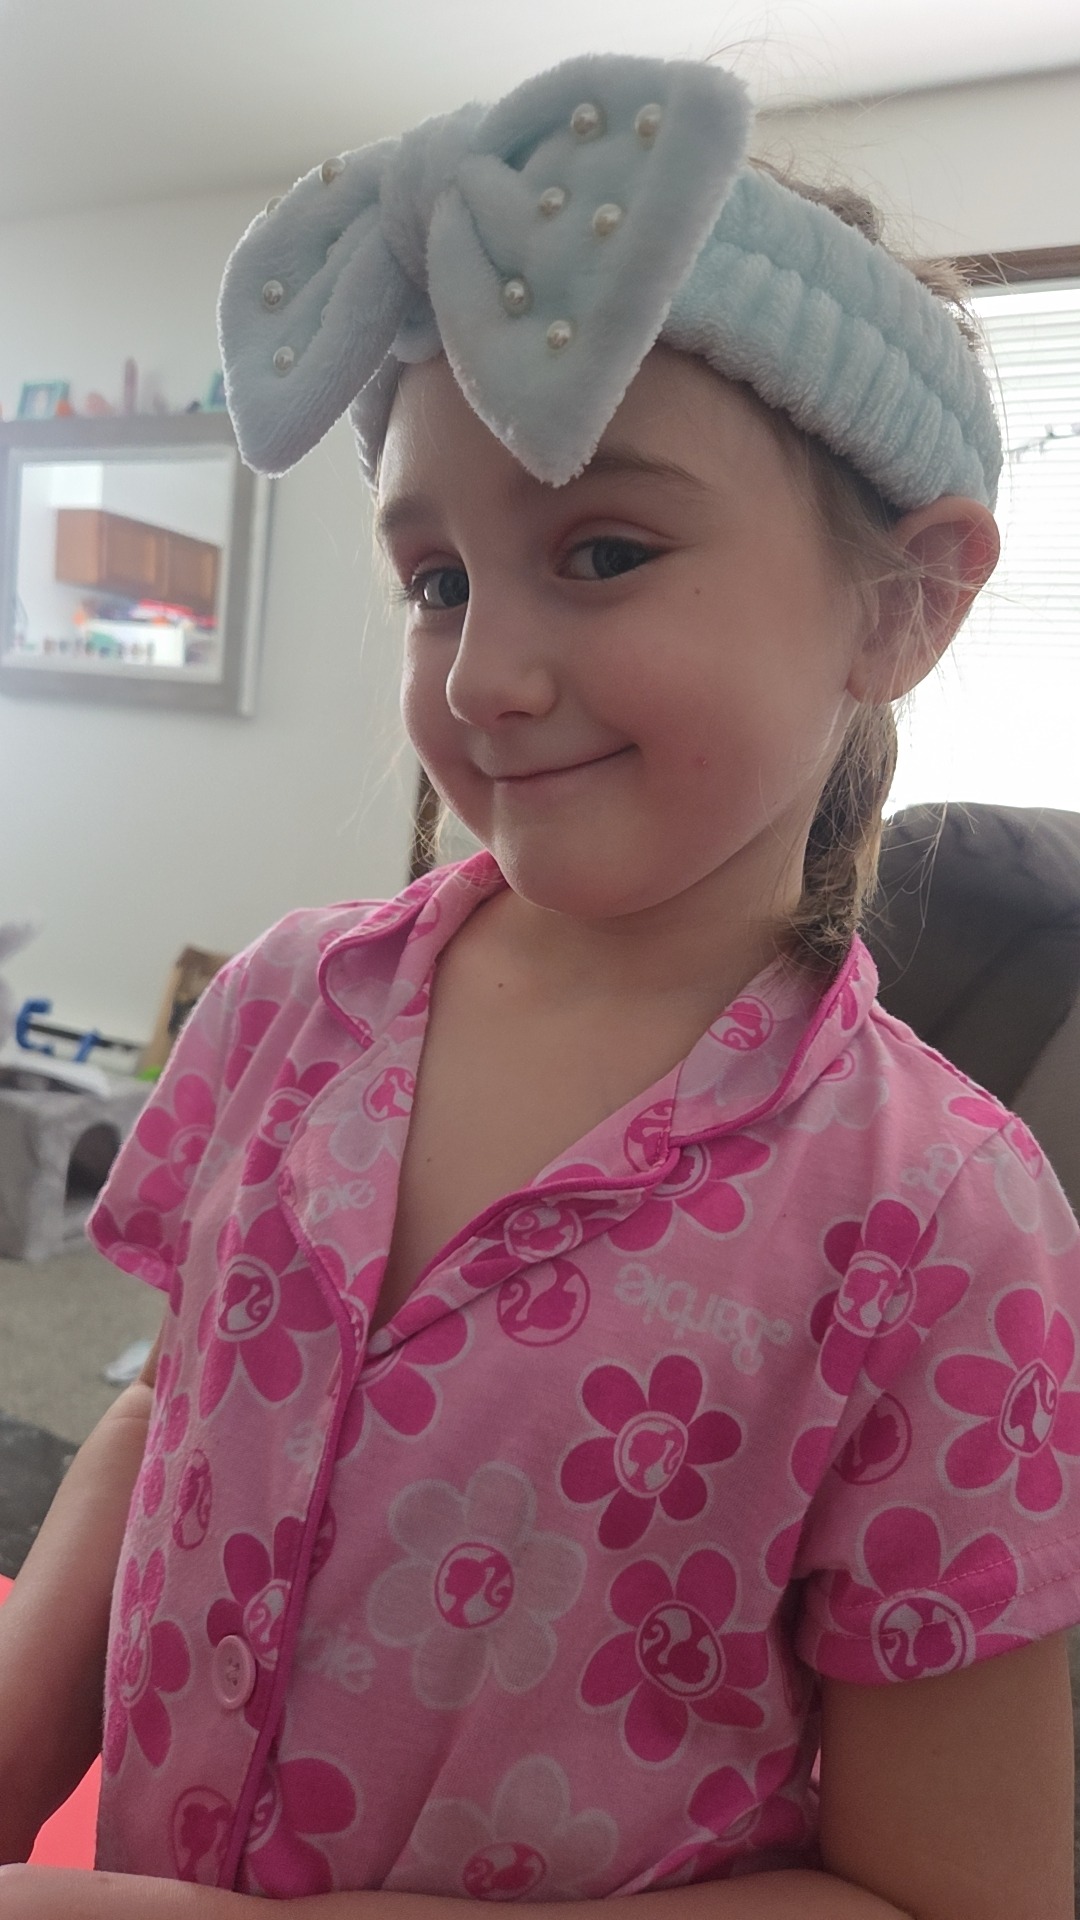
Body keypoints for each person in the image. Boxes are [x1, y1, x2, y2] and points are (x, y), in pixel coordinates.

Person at [0, 49, 1076, 1920]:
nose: (485, 675)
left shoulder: (944, 1224)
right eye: (436, 581)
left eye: (604, 551)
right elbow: (161, 1425)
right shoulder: (282, 1008)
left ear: (903, 604)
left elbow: (950, 1895)